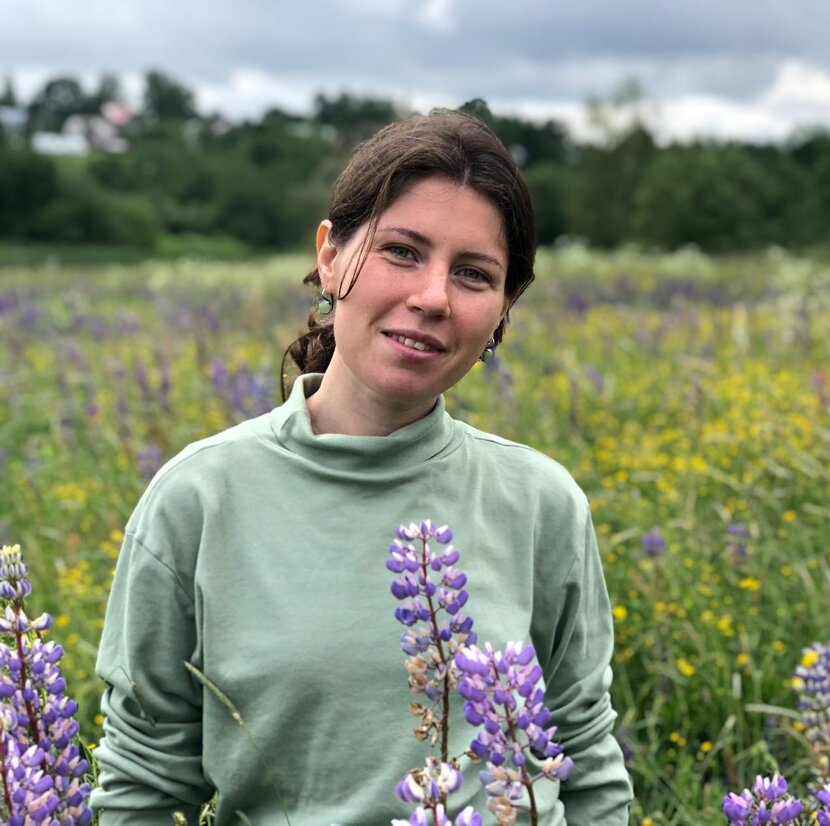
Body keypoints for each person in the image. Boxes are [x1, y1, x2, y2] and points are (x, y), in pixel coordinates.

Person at [91, 110, 633, 824]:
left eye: (474, 274)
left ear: (504, 309)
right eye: (401, 251)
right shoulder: (197, 498)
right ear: (330, 256)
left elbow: (584, 758)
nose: (432, 297)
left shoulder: (542, 502)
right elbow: (143, 789)